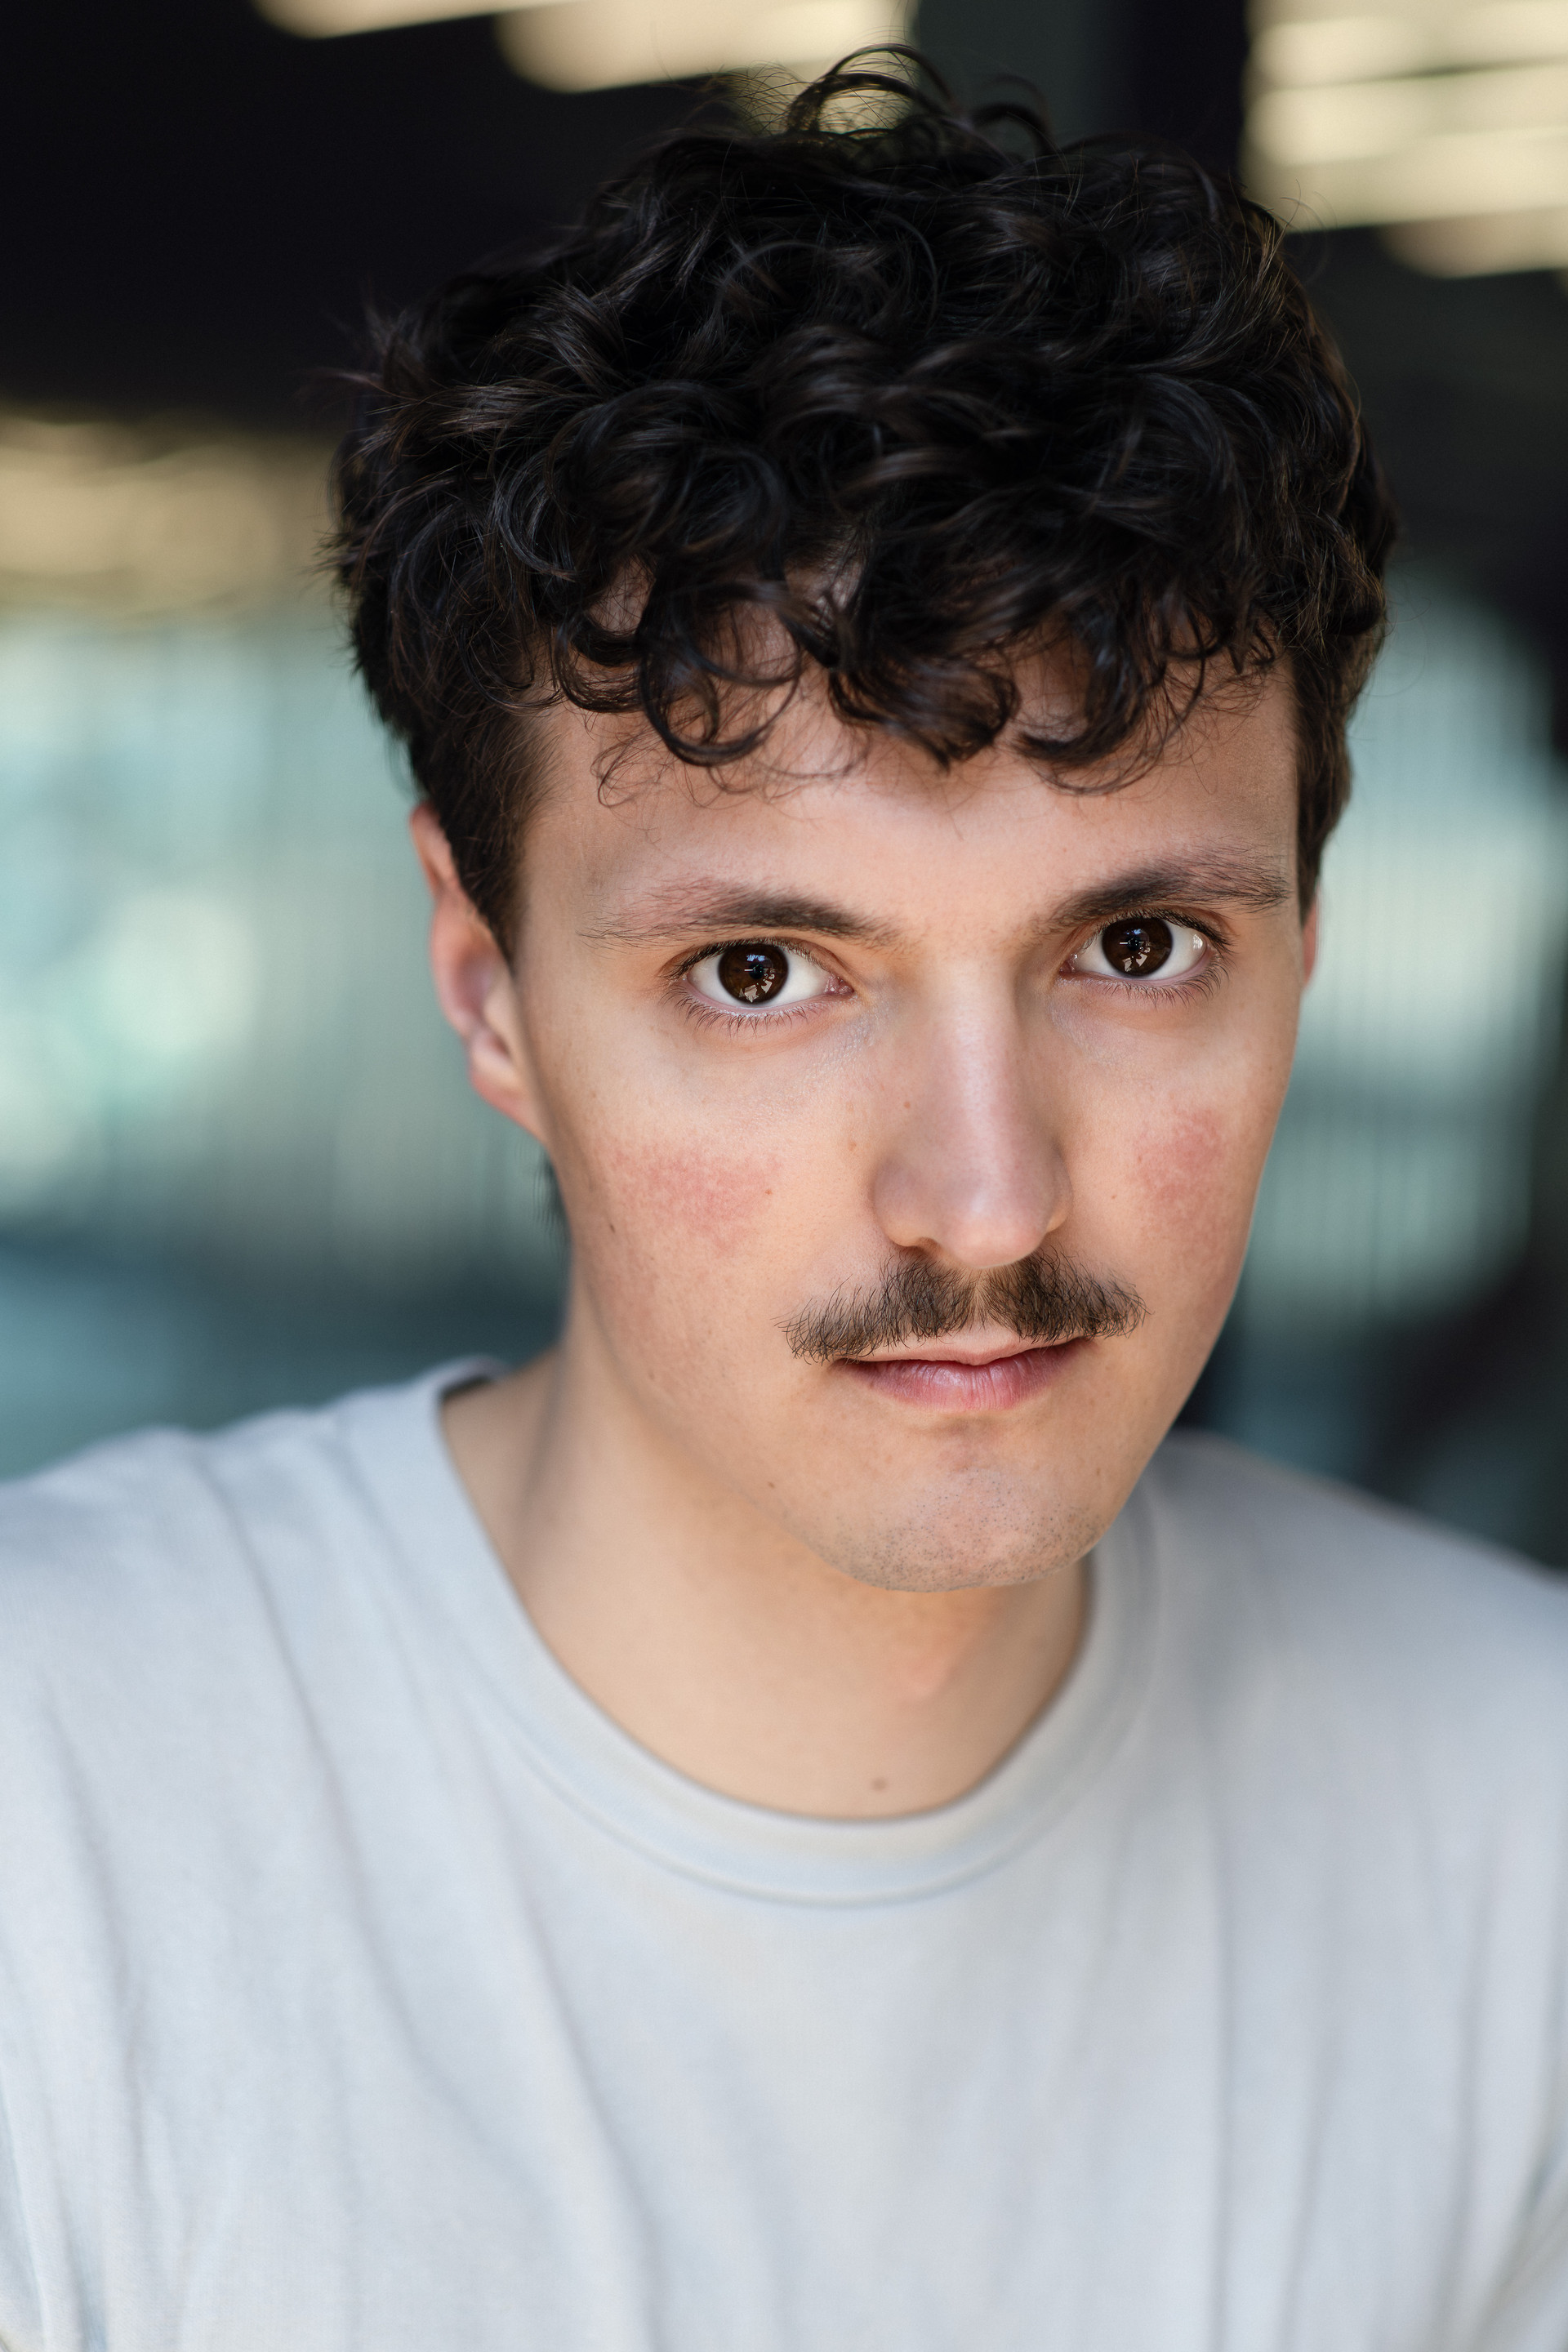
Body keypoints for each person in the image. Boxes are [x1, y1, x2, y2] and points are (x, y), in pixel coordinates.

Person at [2, 56, 1566, 2352]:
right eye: (762, 973)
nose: (984, 1198)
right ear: (487, 984)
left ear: (1304, 947)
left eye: (1138, 948)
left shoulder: (1521, 1824)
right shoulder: (52, 1818)